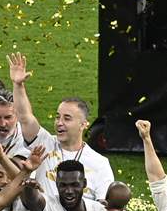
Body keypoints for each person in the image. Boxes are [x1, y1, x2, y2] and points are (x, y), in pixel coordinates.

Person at [10, 52, 114, 200]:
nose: (59, 122)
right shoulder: (44, 144)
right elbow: (25, 117)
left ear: (83, 124)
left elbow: (104, 203)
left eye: (67, 118)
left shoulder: (100, 163)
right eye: (58, 117)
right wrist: (18, 85)